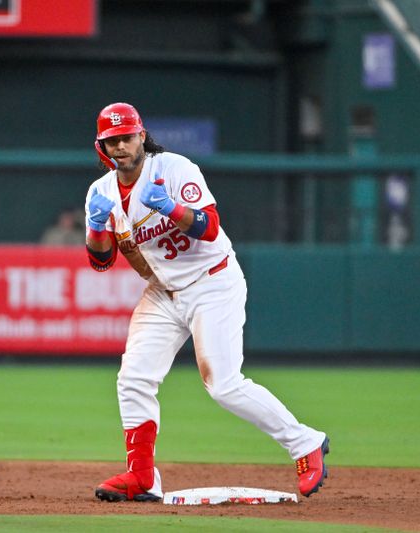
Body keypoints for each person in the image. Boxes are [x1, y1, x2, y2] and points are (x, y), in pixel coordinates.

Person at [84, 102, 329, 502]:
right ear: (102, 146)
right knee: (133, 379)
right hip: (163, 292)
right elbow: (100, 261)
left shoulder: (175, 169)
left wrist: (170, 207)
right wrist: (95, 226)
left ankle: (305, 442)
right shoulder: (101, 191)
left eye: (127, 137)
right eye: (112, 141)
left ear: (141, 135)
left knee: (224, 385)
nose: (121, 147)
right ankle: (142, 478)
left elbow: (210, 229)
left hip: (212, 282)